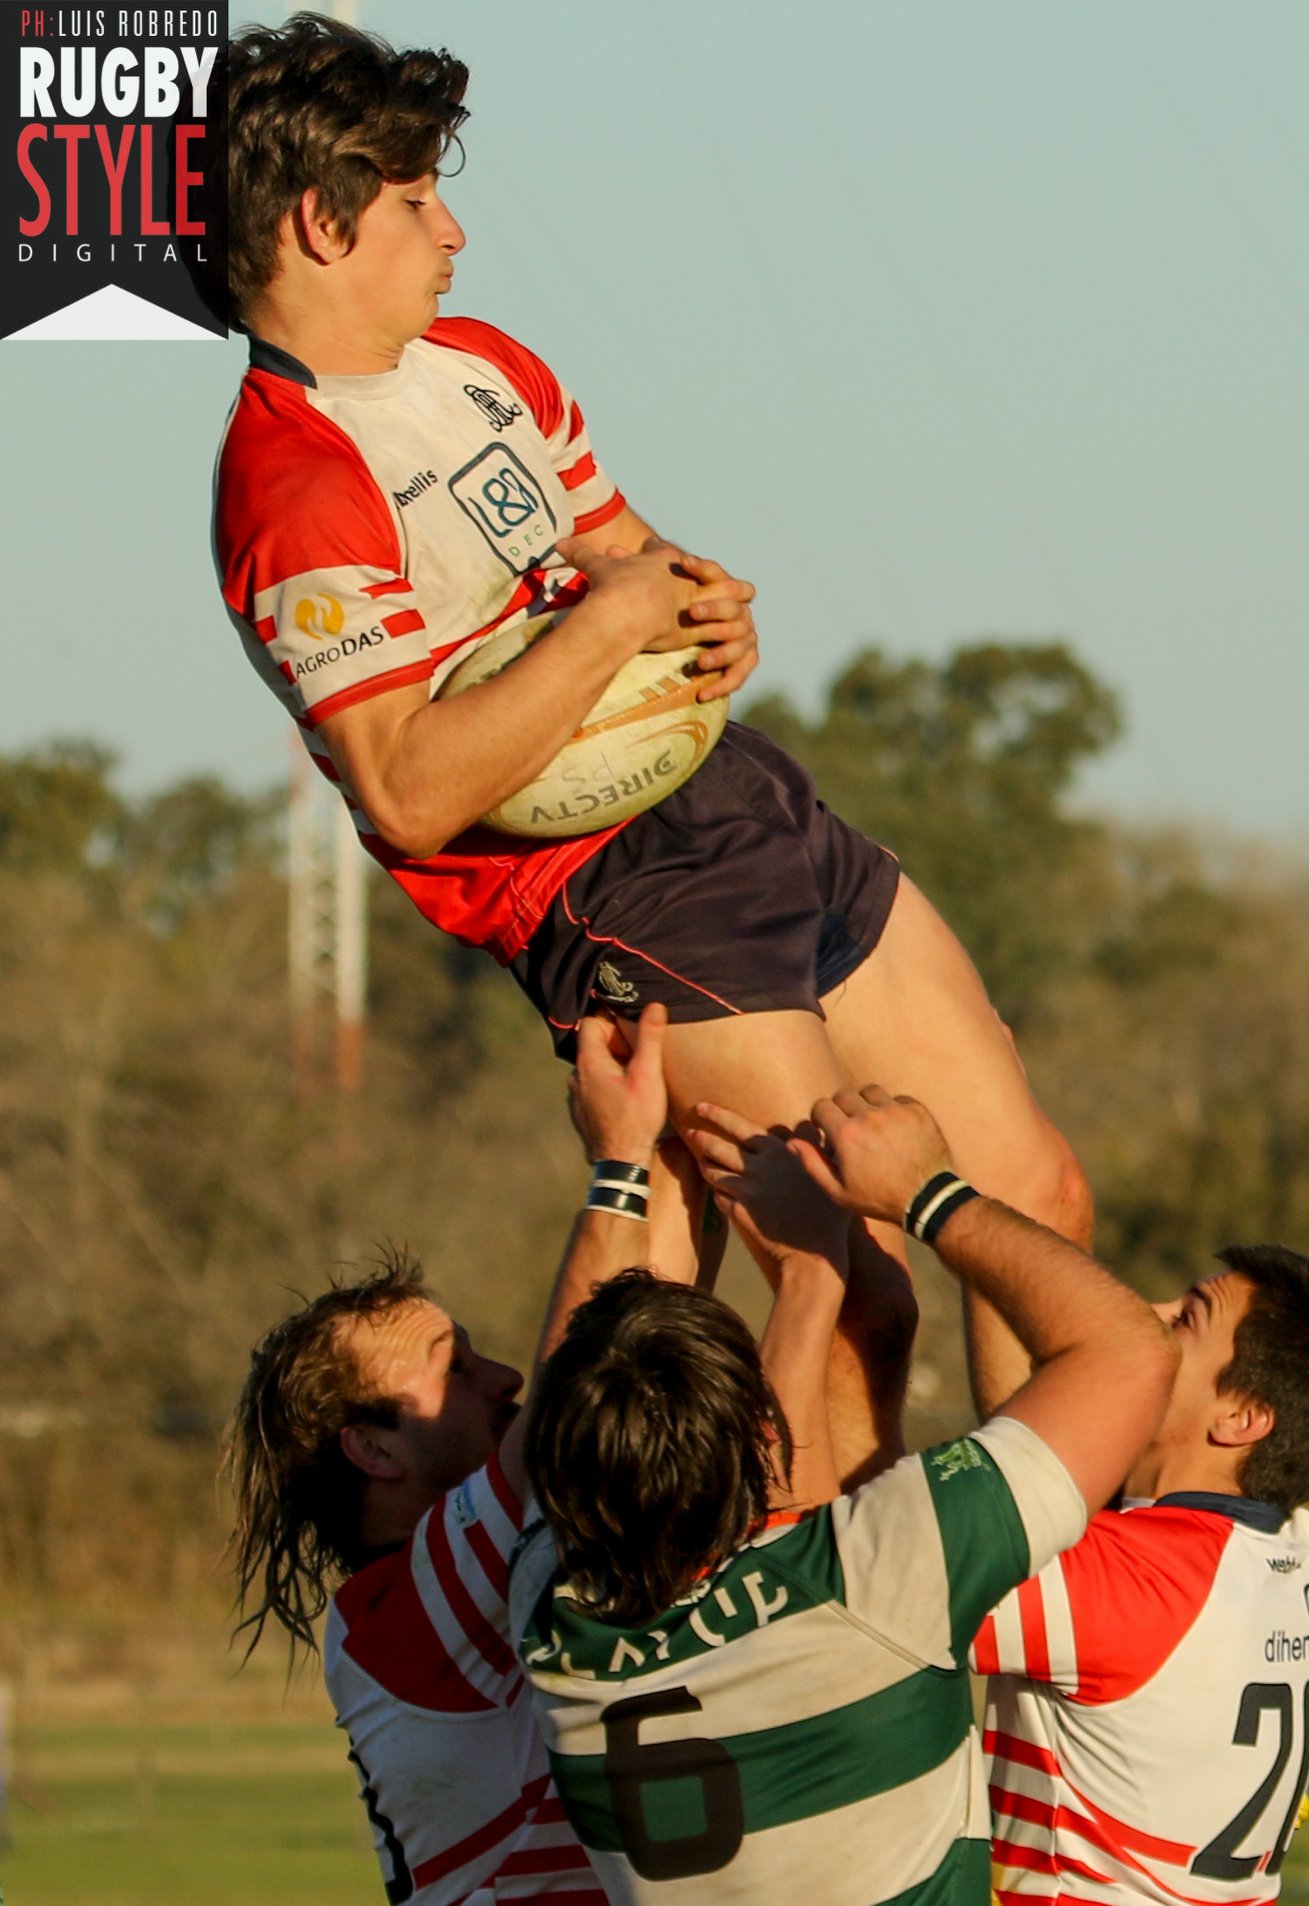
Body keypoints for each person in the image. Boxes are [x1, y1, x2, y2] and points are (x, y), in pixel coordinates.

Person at [209, 14, 1091, 1477]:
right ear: (320, 221)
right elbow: (410, 791)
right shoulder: (289, 486)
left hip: (737, 794)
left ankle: (1045, 1671)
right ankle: (841, 1685)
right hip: (608, 889)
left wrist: (701, 607)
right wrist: (614, 625)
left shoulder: (483, 362)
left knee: (1031, 1191)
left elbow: (631, 564)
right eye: (421, 200)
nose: (456, 232)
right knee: (851, 1287)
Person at [504, 1087, 1179, 1906]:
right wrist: (925, 1194)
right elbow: (1131, 1352)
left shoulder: (551, 1613)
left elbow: (595, 1433)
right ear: (756, 1443)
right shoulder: (877, 1582)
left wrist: (796, 1278)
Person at [228, 1006, 691, 1906]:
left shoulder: (449, 1579)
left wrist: (673, 1148)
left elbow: (637, 1327)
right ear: (371, 1447)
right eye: (457, 1368)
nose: (506, 1378)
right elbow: (567, 1399)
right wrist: (620, 1164)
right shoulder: (395, 1613)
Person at [966, 1244, 1309, 1904]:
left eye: (1187, 1319)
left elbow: (890, 1583)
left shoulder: (1136, 1581)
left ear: (1242, 1418)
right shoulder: (1295, 1544)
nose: (1147, 1313)